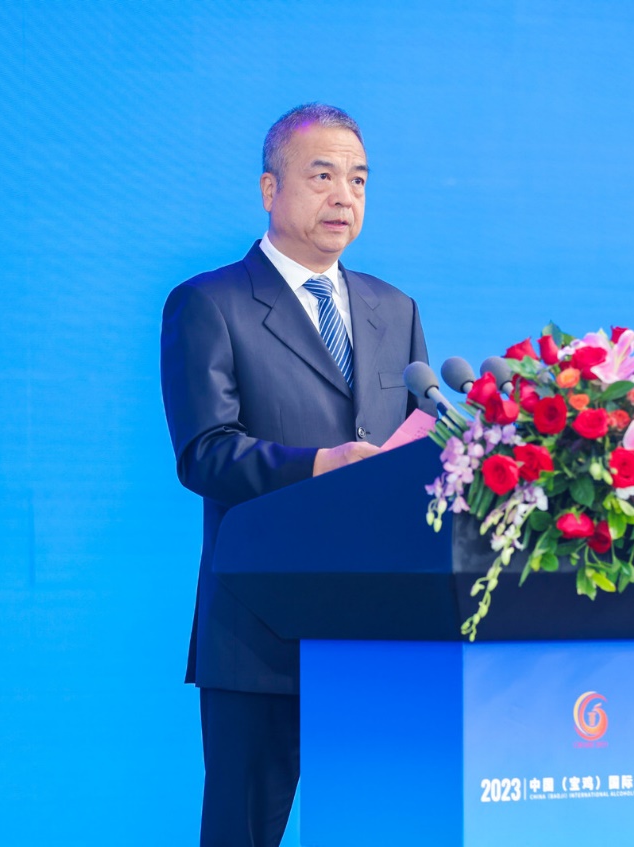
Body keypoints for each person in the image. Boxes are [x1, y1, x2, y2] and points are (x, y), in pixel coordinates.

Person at [160, 103, 430, 846]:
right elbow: (204, 451)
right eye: (322, 176)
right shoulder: (209, 303)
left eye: (359, 180)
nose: (344, 196)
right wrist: (320, 466)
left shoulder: (394, 308)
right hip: (261, 628)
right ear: (269, 189)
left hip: (382, 626)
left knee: (386, 825)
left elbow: (420, 439)